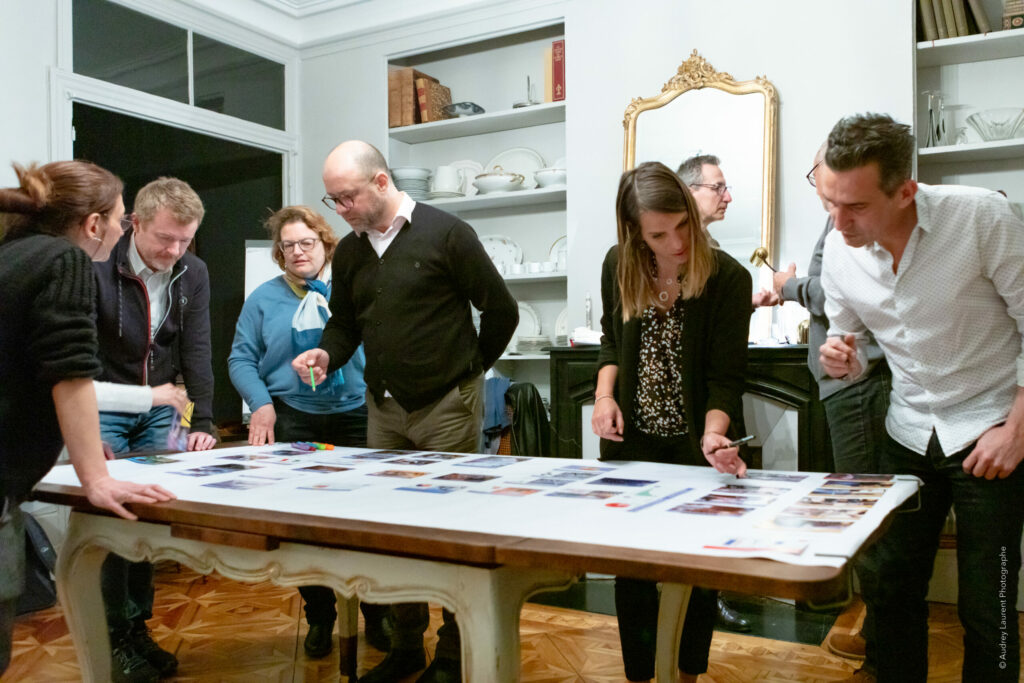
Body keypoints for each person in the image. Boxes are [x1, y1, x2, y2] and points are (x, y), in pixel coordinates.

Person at [291, 140, 517, 683]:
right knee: (393, 533)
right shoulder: (348, 253)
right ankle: (406, 648)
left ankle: (451, 654)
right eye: (332, 199)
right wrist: (327, 351)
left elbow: (501, 310)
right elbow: (345, 324)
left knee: (449, 532)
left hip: (445, 406)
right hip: (384, 410)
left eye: (346, 197)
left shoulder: (447, 234)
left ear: (382, 183)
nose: (338, 209)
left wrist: (468, 372)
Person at [818, 113, 1023, 682]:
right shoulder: (840, 249)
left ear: (905, 191)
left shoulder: (981, 216)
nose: (838, 222)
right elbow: (848, 336)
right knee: (890, 589)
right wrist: (842, 356)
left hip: (990, 427)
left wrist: (1017, 431)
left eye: (854, 206)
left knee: (989, 601)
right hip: (908, 430)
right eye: (829, 201)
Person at [0, 160, 175, 676]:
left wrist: (73, 443)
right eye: (121, 220)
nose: (122, 231)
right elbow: (69, 373)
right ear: (93, 225)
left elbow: (19, 376)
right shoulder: (64, 260)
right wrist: (95, 479)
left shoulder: (12, 255)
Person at [591, 161, 751, 682]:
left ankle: (687, 675)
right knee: (633, 573)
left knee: (697, 570)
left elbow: (726, 376)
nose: (677, 242)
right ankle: (640, 676)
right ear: (635, 232)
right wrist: (604, 396)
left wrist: (713, 433)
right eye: (659, 234)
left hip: (693, 445)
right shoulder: (620, 263)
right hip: (632, 445)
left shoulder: (728, 277)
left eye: (683, 225)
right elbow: (611, 339)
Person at [227, 204, 382, 659]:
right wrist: (261, 406)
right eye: (288, 245)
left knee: (369, 523)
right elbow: (240, 359)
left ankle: (378, 614)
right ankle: (319, 616)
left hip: (359, 416)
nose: (298, 252)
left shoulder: (352, 291)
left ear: (325, 244)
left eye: (307, 242)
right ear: (278, 253)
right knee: (304, 526)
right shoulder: (262, 299)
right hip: (294, 419)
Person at [770, 143, 890, 670]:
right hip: (846, 381)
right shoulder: (841, 223)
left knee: (866, 513)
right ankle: (881, 631)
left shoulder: (850, 227)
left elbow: (831, 292)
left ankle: (878, 636)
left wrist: (787, 285)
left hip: (855, 384)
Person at [93, 177, 215, 683]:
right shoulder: (98, 265)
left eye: (186, 240)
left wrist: (204, 420)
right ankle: (111, 636)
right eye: (167, 238)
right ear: (134, 222)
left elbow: (197, 348)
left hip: (163, 406)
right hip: (106, 404)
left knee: (147, 518)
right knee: (111, 522)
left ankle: (138, 628)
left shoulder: (194, 271)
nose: (175, 250)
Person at [679, 154, 775, 314]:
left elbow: (706, 307)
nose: (728, 198)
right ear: (690, 193)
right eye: (717, 188)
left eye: (725, 189)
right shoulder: (675, 249)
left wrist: (748, 301)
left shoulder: (710, 245)